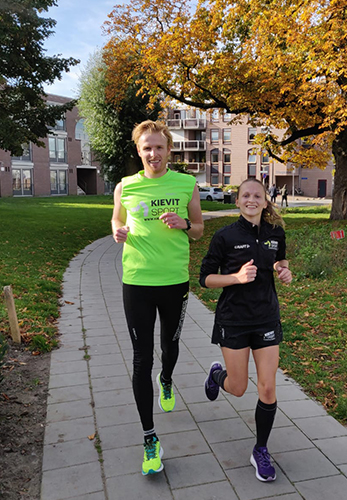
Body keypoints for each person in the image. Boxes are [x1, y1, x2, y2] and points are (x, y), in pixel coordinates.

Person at [111, 120, 203, 476]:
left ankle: (167, 378)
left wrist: (184, 224)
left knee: (170, 346)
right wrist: (116, 232)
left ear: (169, 150)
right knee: (140, 358)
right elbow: (116, 220)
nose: (153, 153)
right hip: (136, 281)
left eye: (159, 147)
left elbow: (198, 229)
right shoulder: (126, 187)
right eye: (147, 148)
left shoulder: (186, 184)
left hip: (173, 281)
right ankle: (150, 438)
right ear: (139, 151)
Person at [200, 178, 292, 482]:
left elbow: (280, 259)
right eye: (245, 195)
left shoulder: (276, 233)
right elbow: (205, 278)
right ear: (237, 202)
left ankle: (261, 449)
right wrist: (236, 278)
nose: (252, 199)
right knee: (238, 388)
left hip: (266, 317)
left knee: (267, 388)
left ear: (265, 201)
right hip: (234, 319)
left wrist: (283, 269)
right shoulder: (225, 237)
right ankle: (217, 375)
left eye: (257, 195)